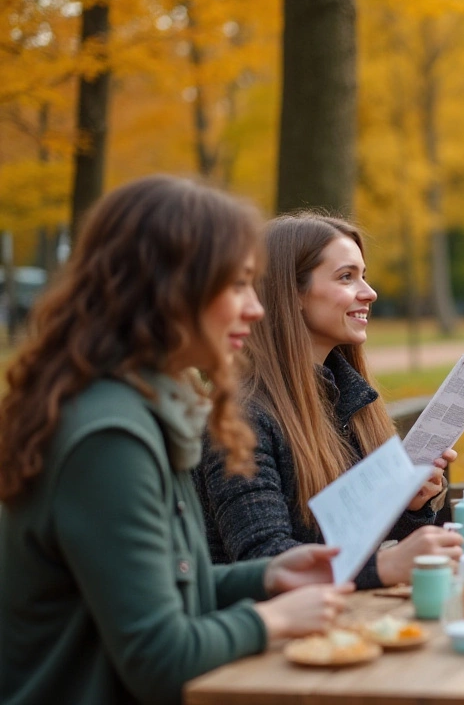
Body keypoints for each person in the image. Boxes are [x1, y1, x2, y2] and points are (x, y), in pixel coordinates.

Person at [0, 176, 350, 705]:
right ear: (169, 291)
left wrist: (269, 575)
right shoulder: (109, 437)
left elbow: (164, 585)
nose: (256, 309)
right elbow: (158, 658)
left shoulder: (142, 408)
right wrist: (271, 620)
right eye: (236, 286)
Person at [195, 214, 462, 590]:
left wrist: (408, 506)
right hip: (272, 639)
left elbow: (344, 538)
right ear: (293, 294)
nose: (369, 292)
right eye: (346, 277)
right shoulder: (242, 418)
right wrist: (382, 567)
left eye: (363, 275)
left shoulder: (350, 400)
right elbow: (266, 562)